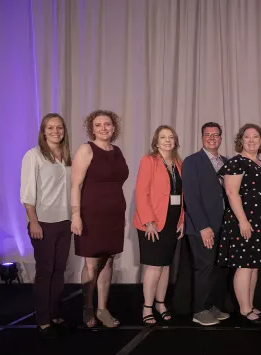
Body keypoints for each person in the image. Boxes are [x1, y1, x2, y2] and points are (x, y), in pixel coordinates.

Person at [218, 123, 261, 325]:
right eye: (247, 137)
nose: (252, 140)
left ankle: (250, 304)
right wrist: (243, 221)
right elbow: (231, 193)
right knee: (245, 265)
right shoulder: (236, 163)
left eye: (256, 137)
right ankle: (245, 310)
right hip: (245, 221)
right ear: (241, 141)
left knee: (253, 265)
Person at [71, 110, 129, 328]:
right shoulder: (86, 150)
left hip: (114, 213)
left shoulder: (117, 151)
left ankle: (103, 308)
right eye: (98, 125)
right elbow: (75, 185)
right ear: (91, 128)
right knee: (92, 262)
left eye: (107, 124)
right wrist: (76, 215)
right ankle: (87, 308)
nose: (104, 128)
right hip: (90, 213)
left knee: (109, 260)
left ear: (114, 128)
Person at [20, 113, 72, 338]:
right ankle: (43, 319)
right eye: (50, 128)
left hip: (65, 220)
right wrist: (33, 221)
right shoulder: (33, 156)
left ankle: (54, 313)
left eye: (59, 128)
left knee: (59, 271)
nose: (55, 132)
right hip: (43, 222)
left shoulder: (68, 156)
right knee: (45, 271)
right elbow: (27, 193)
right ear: (43, 131)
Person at [133, 125, 184, 325]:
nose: (167, 140)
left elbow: (182, 195)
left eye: (171, 137)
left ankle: (160, 303)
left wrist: (182, 220)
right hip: (152, 222)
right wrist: (149, 221)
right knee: (154, 266)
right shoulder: (149, 161)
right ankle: (147, 306)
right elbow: (141, 192)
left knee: (165, 266)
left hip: (172, 221)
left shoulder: (179, 163)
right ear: (156, 141)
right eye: (163, 137)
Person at [182, 122, 230, 326]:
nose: (212, 138)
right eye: (207, 134)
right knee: (204, 267)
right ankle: (199, 310)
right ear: (202, 137)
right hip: (202, 227)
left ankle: (211, 306)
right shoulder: (192, 162)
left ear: (220, 138)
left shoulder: (226, 162)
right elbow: (191, 197)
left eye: (215, 135)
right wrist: (203, 227)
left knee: (217, 269)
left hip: (222, 226)